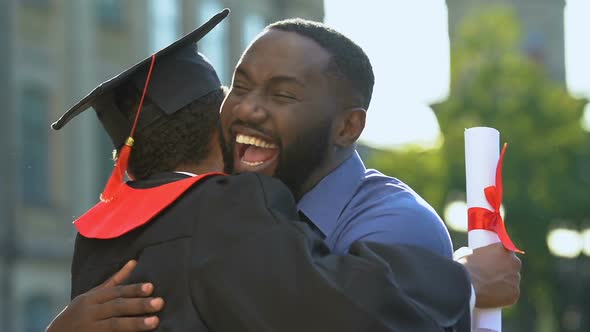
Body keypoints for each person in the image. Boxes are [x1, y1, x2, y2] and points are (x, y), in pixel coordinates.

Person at [46, 13, 521, 332]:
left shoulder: (395, 224)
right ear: (217, 122)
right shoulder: (229, 209)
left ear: (348, 126)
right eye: (240, 87)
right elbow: (342, 304)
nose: (248, 110)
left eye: (282, 94)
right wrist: (464, 281)